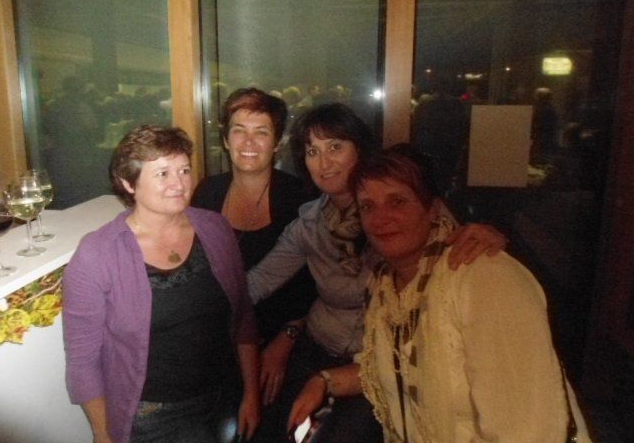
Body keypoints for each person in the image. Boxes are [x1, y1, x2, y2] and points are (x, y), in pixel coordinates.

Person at [247, 104, 508, 443]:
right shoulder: (308, 225)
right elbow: (259, 281)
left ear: (360, 150)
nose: (324, 162)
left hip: (380, 359)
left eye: (335, 147)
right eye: (312, 151)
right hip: (317, 346)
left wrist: (489, 239)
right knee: (274, 429)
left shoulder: (400, 215)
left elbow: (455, 248)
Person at [288, 144, 572, 442]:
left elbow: (529, 428)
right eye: (368, 206)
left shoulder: (482, 276)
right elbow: (389, 367)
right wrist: (324, 381)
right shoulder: (385, 286)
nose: (380, 218)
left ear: (433, 209)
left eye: (397, 202)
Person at [63, 125, 260, 443]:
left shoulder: (215, 228)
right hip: (155, 416)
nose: (178, 184)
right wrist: (104, 434)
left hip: (224, 395)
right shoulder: (97, 254)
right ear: (129, 183)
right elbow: (82, 360)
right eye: (162, 173)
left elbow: (243, 318)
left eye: (184, 170)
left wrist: (251, 393)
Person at [192, 88, 317, 402]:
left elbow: (316, 284)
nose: (248, 143)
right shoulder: (208, 192)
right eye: (239, 131)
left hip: (286, 338)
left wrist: (285, 341)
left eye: (261, 132)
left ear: (277, 142)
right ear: (226, 140)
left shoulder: (299, 197)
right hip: (221, 337)